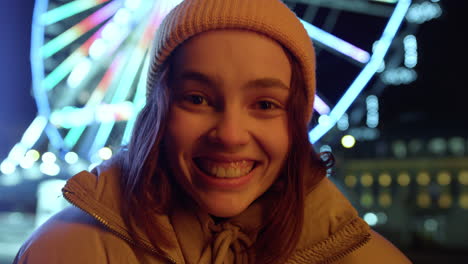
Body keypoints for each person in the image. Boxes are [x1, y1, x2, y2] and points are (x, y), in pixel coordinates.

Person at [14, 0, 412, 263]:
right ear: (157, 112)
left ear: (298, 121)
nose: (231, 134)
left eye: (265, 104)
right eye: (198, 99)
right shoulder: (62, 252)